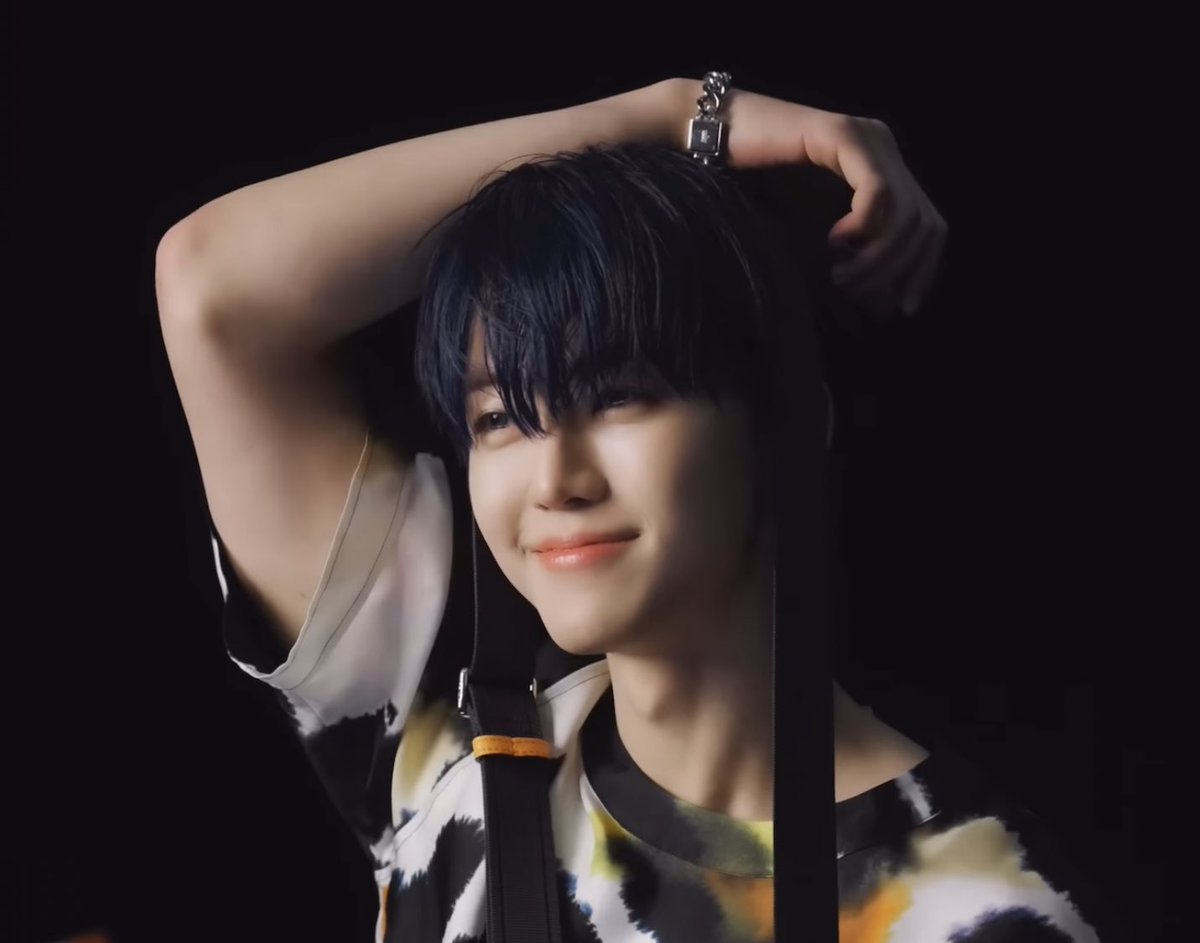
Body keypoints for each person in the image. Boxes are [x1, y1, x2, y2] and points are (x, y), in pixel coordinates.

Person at [156, 75, 1112, 941]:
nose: (556, 478)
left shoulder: (972, 910)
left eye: (618, 396)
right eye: (501, 417)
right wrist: (668, 117)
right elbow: (215, 290)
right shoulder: (455, 728)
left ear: (783, 421)